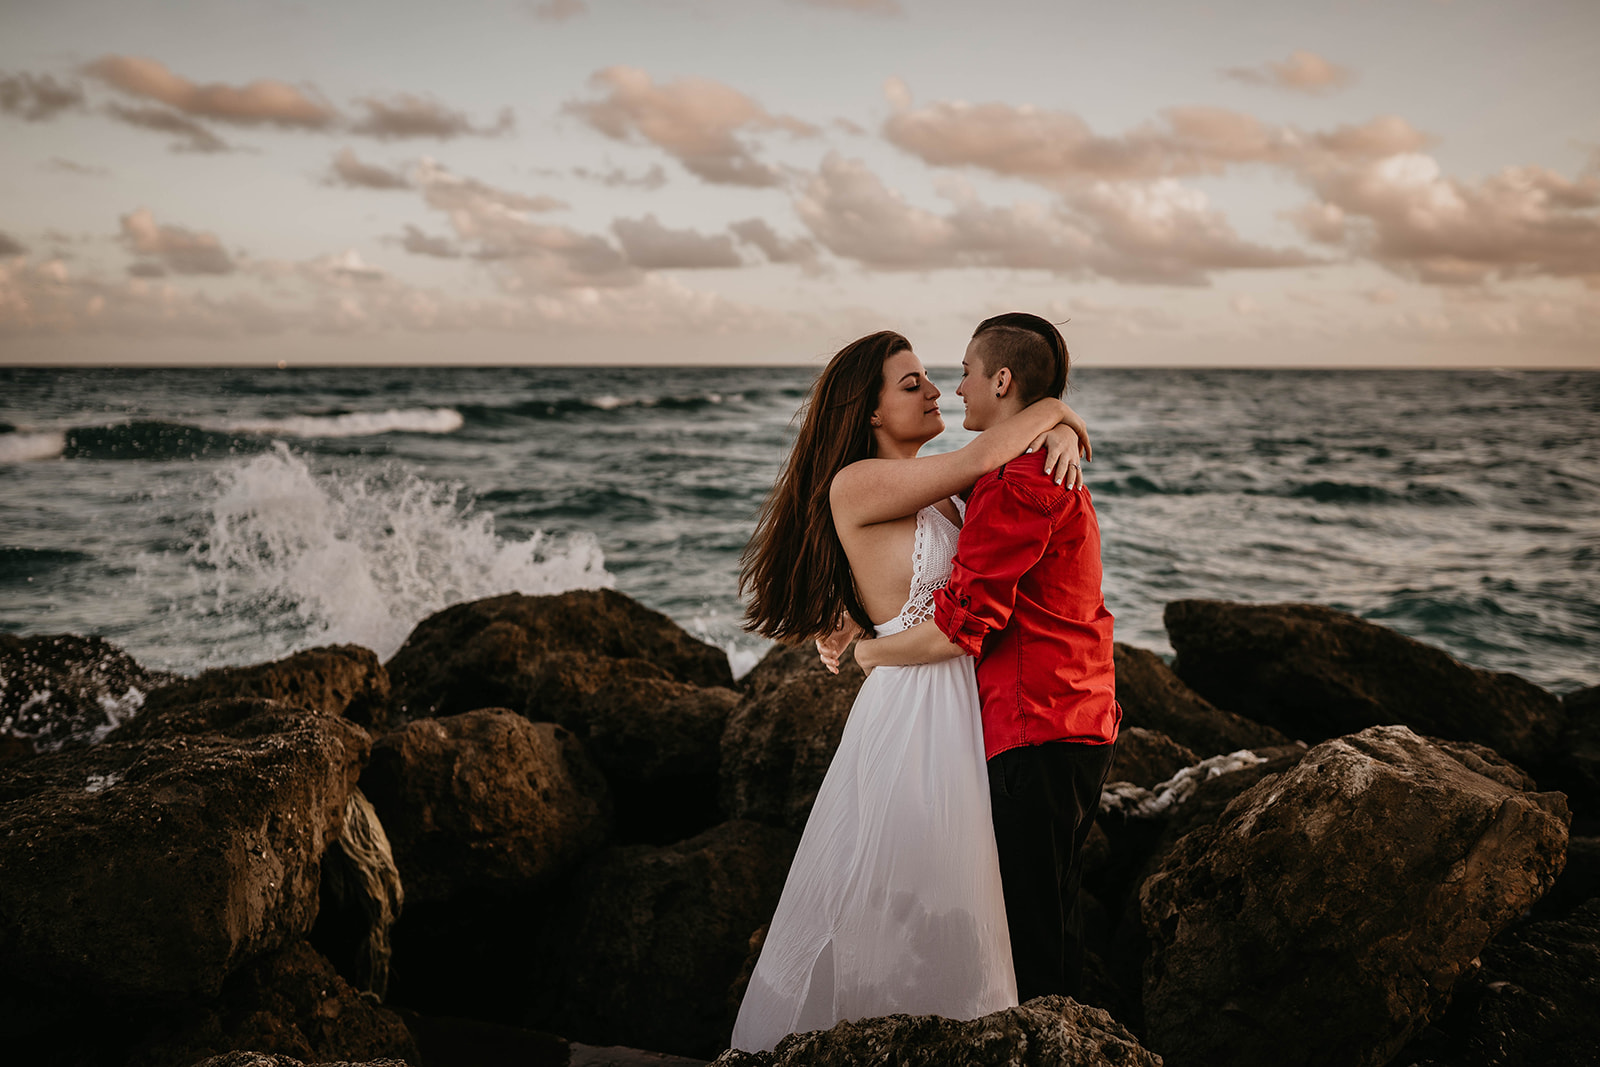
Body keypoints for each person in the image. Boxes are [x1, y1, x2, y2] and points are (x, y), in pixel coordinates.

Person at [729, 330, 1091, 1053]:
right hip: (916, 711)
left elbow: (989, 493)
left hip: (972, 704)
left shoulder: (945, 488)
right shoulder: (857, 483)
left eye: (934, 378)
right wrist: (1059, 409)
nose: (934, 391)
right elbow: (988, 452)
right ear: (867, 412)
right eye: (912, 382)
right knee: (906, 904)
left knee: (965, 906)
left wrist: (1063, 429)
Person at [853, 312, 1120, 1004]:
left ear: (1001, 380)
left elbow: (963, 625)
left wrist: (869, 652)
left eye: (966, 371)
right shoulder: (1014, 471)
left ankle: (1057, 1045)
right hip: (1071, 712)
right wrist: (1056, 416)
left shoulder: (1015, 481)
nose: (954, 387)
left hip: (1037, 723)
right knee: (1050, 915)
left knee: (1035, 933)